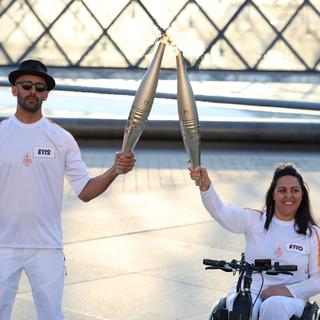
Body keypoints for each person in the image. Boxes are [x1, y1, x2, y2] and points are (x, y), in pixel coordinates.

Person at [0, 59, 136, 319]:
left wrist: (115, 170)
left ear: (46, 94)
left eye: (40, 88)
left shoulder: (61, 139)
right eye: (26, 85)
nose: (33, 92)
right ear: (14, 89)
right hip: (2, 245)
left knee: (51, 315)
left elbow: (85, 191)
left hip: (47, 248)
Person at [189, 163, 320, 320]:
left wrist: (288, 291)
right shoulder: (254, 220)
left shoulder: (312, 234)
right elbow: (222, 212)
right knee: (244, 305)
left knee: (273, 305)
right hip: (250, 289)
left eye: (295, 190)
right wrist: (206, 187)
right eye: (282, 190)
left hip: (290, 298)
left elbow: (317, 279)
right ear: (273, 193)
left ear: (302, 195)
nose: (288, 196)